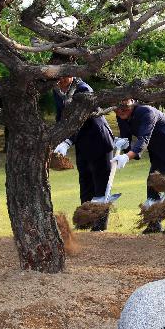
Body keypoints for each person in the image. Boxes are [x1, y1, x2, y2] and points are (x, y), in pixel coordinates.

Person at [113, 99, 165, 234]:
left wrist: (127, 157)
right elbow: (126, 137)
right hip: (158, 149)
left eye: (122, 109)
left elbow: (143, 139)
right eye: (116, 110)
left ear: (130, 106)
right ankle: (154, 224)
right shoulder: (121, 115)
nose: (119, 113)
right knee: (152, 182)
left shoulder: (146, 112)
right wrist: (124, 149)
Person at [53, 77, 115, 231]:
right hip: (81, 142)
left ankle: (99, 226)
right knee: (85, 182)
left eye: (63, 76)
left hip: (98, 140)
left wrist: (67, 141)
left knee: (100, 184)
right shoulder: (57, 90)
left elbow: (80, 119)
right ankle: (85, 221)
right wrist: (56, 139)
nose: (59, 80)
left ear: (71, 75)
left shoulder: (83, 89)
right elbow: (61, 117)